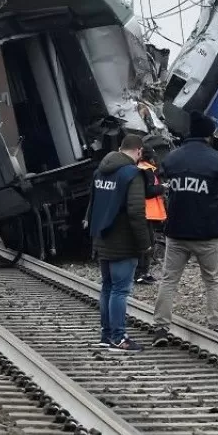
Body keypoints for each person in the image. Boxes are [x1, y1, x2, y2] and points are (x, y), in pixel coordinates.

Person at [152, 113, 218, 343]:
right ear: (208, 135)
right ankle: (217, 326)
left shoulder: (173, 158)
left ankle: (160, 328)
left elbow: (163, 180)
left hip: (177, 231)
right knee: (213, 280)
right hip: (209, 232)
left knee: (169, 280)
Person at [86, 134, 150, 353]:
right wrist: (145, 243)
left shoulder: (99, 171)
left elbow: (93, 205)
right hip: (123, 242)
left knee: (107, 288)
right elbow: (136, 212)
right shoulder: (132, 174)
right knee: (120, 291)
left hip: (102, 238)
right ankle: (118, 337)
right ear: (139, 151)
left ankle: (106, 335)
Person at [134, 142, 166, 285]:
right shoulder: (145, 170)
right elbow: (148, 192)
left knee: (148, 243)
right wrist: (162, 187)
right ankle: (140, 273)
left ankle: (143, 272)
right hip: (145, 212)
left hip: (146, 211)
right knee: (146, 244)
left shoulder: (143, 168)